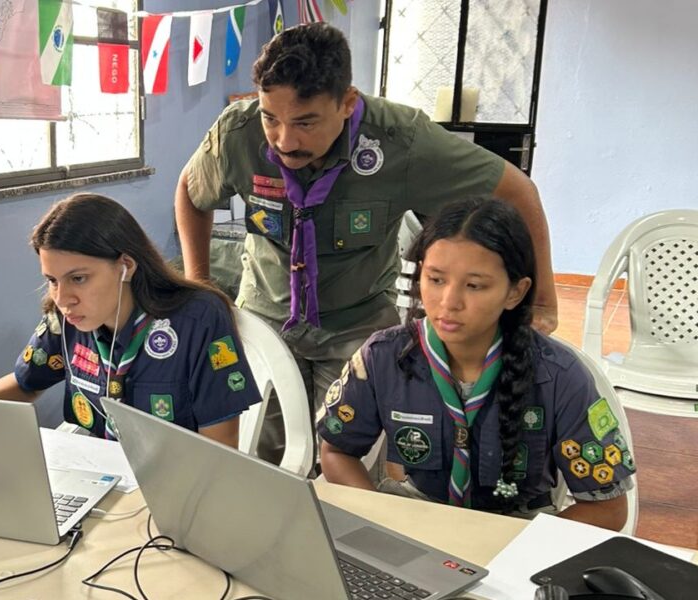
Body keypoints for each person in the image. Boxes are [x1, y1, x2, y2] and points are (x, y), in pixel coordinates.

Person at [174, 23, 558, 457]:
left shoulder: (402, 141)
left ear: (347, 103)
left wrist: (543, 299)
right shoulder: (237, 132)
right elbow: (191, 193)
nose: (284, 139)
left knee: (346, 453)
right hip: (266, 313)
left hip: (356, 323)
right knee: (264, 451)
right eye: (270, 117)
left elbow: (518, 191)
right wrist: (200, 284)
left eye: (305, 121)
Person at [318, 198, 632, 531]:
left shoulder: (559, 376)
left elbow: (608, 511)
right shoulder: (383, 357)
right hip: (415, 520)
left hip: (517, 533)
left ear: (515, 292)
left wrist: (511, 551)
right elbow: (337, 453)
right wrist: (382, 525)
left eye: (474, 286)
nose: (448, 302)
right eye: (436, 279)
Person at [0, 193, 261, 448]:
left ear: (125, 266)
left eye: (78, 278)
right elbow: (26, 384)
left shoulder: (198, 319)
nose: (63, 299)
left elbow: (220, 448)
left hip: (178, 483)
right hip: (104, 476)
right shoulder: (65, 320)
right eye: (52, 280)